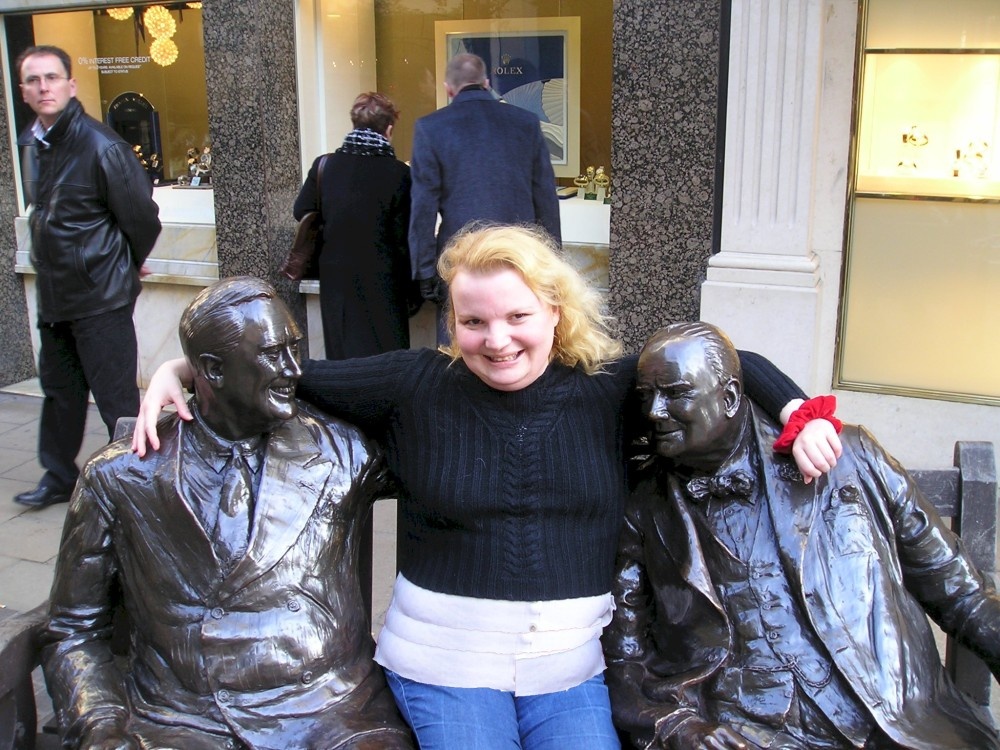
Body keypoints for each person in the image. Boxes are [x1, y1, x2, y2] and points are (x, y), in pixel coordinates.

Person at [133, 225, 839, 749]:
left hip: (569, 674)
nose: (496, 340)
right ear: (452, 322)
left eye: (517, 317)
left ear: (555, 312)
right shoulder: (417, 384)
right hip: (444, 667)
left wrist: (797, 413)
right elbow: (277, 372)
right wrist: (176, 372)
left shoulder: (609, 388)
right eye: (473, 322)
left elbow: (733, 359)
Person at [43, 277, 414, 750]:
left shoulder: (345, 452)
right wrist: (100, 726)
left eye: (294, 348)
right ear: (213, 371)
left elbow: (447, 423)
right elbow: (73, 630)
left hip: (333, 715)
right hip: (180, 722)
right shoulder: (120, 477)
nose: (294, 370)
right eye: (272, 354)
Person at [603, 321, 1000, 750]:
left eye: (675, 393)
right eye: (647, 397)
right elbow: (626, 657)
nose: (655, 413)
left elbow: (962, 594)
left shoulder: (849, 459)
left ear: (731, 398)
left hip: (893, 724)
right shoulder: (643, 508)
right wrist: (678, 726)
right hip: (744, 733)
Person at [13, 44, 161, 509]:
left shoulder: (102, 146)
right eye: (34, 80)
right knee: (59, 395)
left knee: (116, 398)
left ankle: (139, 482)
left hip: (100, 296)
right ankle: (58, 477)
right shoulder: (32, 144)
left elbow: (142, 217)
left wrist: (127, 261)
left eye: (52, 78)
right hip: (56, 295)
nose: (44, 87)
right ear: (23, 90)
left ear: (70, 85)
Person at [409, 53, 562, 341]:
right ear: (486, 83)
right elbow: (545, 198)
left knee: (459, 343)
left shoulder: (431, 128)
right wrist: (553, 260)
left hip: (460, 256)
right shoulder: (525, 122)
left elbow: (423, 207)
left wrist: (424, 269)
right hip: (519, 254)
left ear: (448, 88)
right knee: (519, 339)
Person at [293, 91, 415, 359]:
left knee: (342, 354)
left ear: (354, 125)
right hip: (384, 279)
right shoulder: (399, 174)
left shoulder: (325, 165)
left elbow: (301, 210)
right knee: (385, 356)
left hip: (336, 276)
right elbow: (403, 236)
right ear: (389, 129)